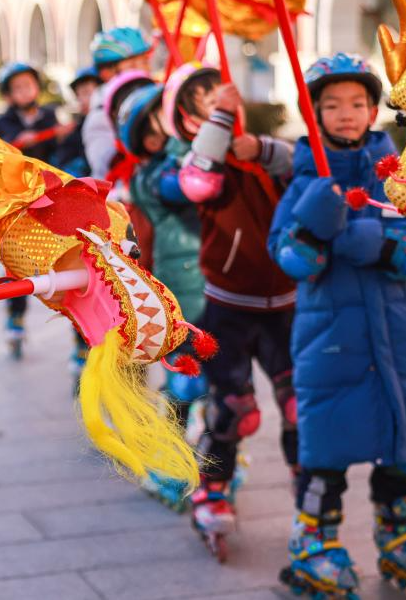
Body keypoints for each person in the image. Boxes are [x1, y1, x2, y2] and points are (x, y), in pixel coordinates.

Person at [269, 54, 406, 598]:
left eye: (356, 104)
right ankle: (314, 546)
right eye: (331, 105)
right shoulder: (303, 180)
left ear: (374, 109)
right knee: (325, 452)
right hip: (332, 342)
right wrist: (315, 225)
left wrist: (366, 241)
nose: (346, 114)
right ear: (314, 114)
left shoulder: (401, 174)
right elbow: (291, 258)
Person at [161, 62, 298, 557]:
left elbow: (303, 165)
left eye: (215, 92)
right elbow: (197, 181)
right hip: (230, 310)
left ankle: (315, 512)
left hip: (285, 305)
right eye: (200, 96)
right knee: (233, 413)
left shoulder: (252, 151)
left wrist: (261, 148)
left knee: (299, 409)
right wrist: (221, 117)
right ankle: (212, 491)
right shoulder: (188, 159)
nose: (214, 98)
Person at [117, 80, 208, 510]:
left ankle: (215, 464)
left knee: (220, 389)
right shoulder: (155, 173)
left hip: (215, 291)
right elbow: (184, 187)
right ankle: (167, 468)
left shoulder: (183, 157)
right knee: (184, 388)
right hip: (183, 296)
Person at [0, 61, 63, 358]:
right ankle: (16, 316)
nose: (26, 91)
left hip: (51, 200)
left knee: (61, 261)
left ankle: (77, 338)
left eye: (29, 85)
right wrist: (21, 143)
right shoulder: (4, 123)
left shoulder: (49, 116)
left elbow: (62, 153)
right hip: (19, 203)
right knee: (17, 263)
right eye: (18, 88)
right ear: (9, 95)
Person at [83, 27, 153, 180]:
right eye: (134, 64)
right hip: (118, 196)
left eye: (145, 62)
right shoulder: (100, 115)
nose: (144, 69)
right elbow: (104, 161)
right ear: (107, 72)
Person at [51, 65, 100, 178]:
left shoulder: (114, 125)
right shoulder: (76, 132)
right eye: (79, 94)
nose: (82, 99)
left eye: (87, 92)